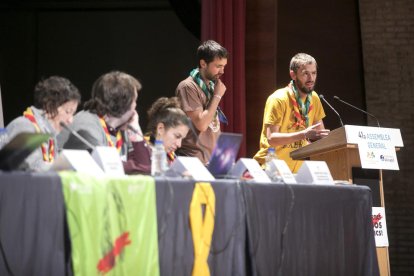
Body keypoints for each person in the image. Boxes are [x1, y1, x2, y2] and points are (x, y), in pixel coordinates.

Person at [58, 71, 151, 174]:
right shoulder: (86, 126)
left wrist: (136, 133)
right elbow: (106, 167)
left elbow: (145, 167)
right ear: (123, 104)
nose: (135, 106)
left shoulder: (122, 129)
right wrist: (136, 166)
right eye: (135, 101)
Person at [253, 53, 330, 172]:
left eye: (313, 73)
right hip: (271, 168)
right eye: (305, 73)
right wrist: (303, 134)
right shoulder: (278, 99)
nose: (311, 78)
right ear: (293, 75)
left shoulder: (314, 98)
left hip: (298, 170)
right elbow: (271, 139)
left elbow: (321, 136)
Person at [6, 76, 81, 171]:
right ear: (49, 106)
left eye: (72, 114)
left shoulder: (50, 134)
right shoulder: (24, 126)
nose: (70, 120)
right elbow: (26, 168)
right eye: (67, 112)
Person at [175, 40, 228, 164]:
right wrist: (217, 96)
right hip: (193, 160)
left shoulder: (211, 87)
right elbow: (202, 124)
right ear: (203, 63)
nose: (222, 71)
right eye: (218, 66)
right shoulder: (187, 87)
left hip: (211, 160)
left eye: (224, 66)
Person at [145, 97, 191, 164]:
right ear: (160, 128)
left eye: (182, 139)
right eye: (177, 136)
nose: (179, 144)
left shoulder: (171, 157)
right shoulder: (141, 151)